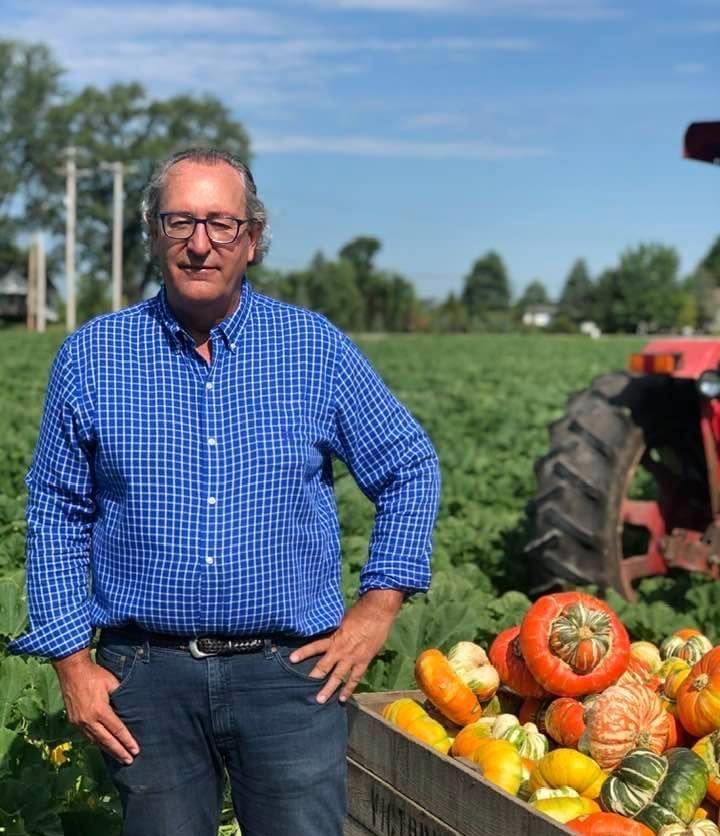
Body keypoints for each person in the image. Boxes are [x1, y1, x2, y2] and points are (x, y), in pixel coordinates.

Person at [8, 148, 441, 836]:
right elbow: (56, 510)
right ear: (153, 233)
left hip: (290, 676)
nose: (200, 244)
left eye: (221, 223)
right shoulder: (93, 356)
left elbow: (409, 465)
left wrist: (379, 606)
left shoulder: (313, 349)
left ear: (253, 237)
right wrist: (70, 663)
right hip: (145, 678)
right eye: (180, 223)